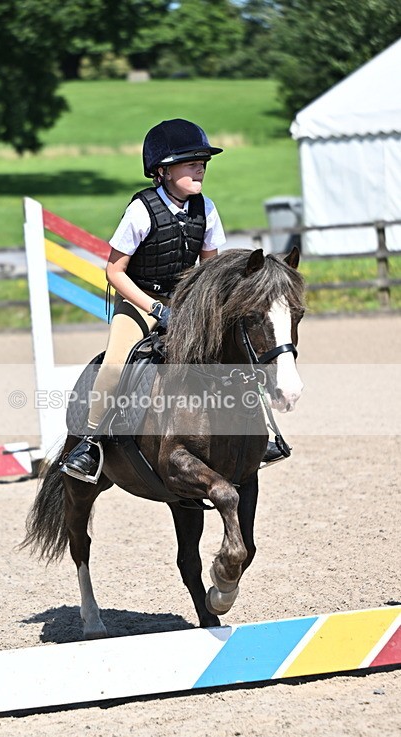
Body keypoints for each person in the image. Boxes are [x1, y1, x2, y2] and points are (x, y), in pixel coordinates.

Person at [60, 118, 283, 482]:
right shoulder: (140, 211)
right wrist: (155, 309)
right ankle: (90, 442)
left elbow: (211, 272)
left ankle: (262, 436)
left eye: (203, 162)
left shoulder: (206, 208)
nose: (201, 168)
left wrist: (204, 310)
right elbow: (114, 272)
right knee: (117, 362)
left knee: (238, 350)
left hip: (186, 304)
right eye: (191, 162)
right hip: (139, 302)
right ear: (162, 171)